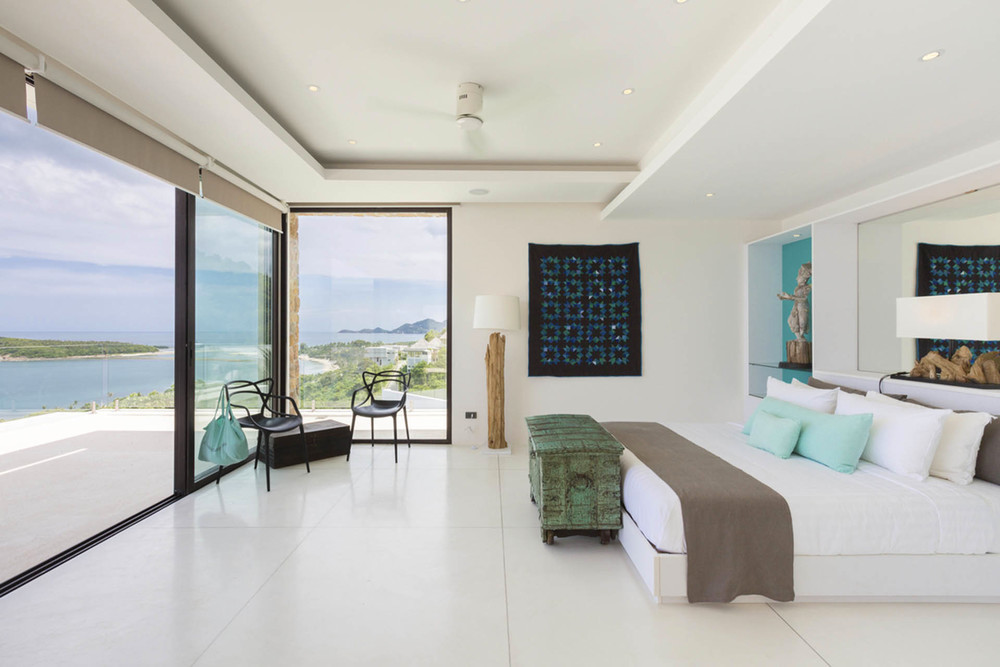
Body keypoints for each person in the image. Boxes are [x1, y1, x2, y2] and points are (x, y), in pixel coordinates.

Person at [778, 262, 811, 341]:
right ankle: (799, 338)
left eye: (799, 277)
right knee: (792, 321)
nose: (797, 278)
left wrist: (790, 297)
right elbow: (795, 298)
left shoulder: (806, 287)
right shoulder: (797, 288)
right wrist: (785, 297)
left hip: (802, 307)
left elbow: (804, 298)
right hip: (796, 306)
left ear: (804, 278)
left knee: (802, 322)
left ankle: (801, 337)